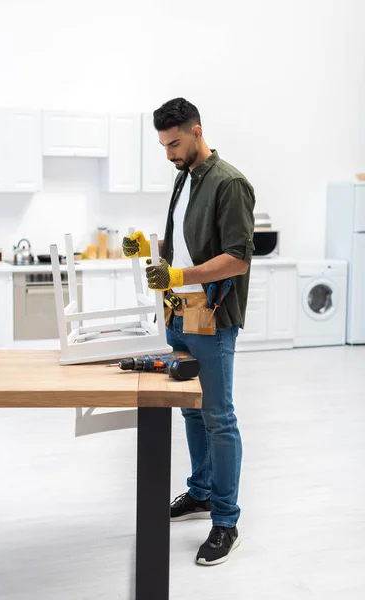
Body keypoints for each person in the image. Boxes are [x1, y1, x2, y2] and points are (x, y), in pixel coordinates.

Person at [122, 97, 255, 566]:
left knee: (219, 416)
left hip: (211, 315)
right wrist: (150, 245)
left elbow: (238, 257)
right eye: (163, 145)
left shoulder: (229, 183)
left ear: (197, 131)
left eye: (174, 143)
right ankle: (199, 494)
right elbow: (183, 244)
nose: (168, 154)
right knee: (192, 413)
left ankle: (226, 522)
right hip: (180, 313)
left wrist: (179, 276)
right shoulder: (184, 178)